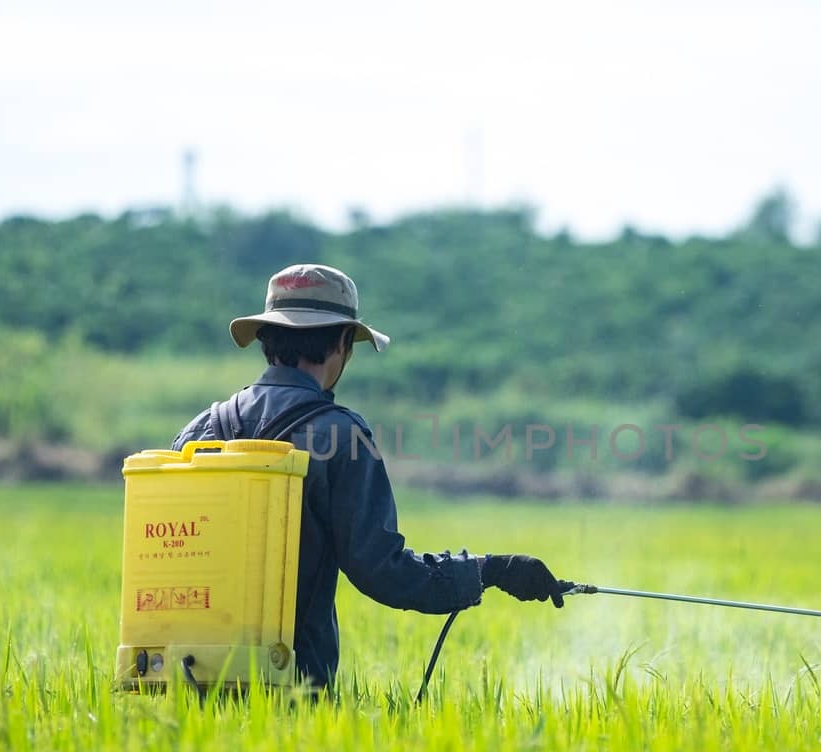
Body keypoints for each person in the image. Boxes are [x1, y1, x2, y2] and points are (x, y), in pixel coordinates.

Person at [172, 262, 569, 689]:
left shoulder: (200, 429)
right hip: (291, 683)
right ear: (344, 341)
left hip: (183, 675)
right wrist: (489, 570)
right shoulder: (341, 436)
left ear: (265, 337)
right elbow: (384, 572)